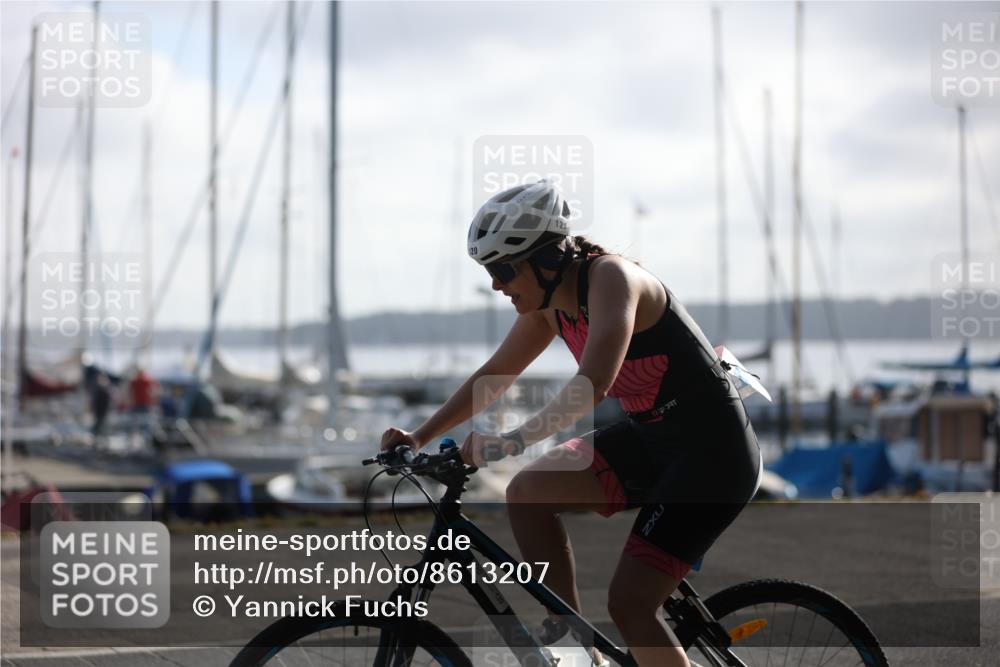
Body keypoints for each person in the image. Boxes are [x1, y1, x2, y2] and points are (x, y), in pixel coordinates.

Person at [381, 180, 762, 667]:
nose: (496, 284)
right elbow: (494, 375)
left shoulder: (613, 280)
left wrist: (507, 443)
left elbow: (592, 385)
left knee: (629, 604)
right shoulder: (547, 306)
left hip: (713, 453)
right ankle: (574, 647)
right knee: (527, 494)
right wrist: (419, 435)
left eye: (502, 269)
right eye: (488, 271)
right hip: (652, 437)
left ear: (545, 259)